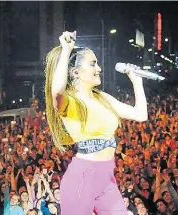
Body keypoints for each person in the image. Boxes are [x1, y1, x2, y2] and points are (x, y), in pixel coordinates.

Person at [44, 31, 148, 214]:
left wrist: (137, 82)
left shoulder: (103, 98)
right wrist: (66, 50)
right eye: (93, 64)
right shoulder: (70, 101)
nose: (99, 68)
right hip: (82, 178)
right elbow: (57, 92)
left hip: (107, 179)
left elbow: (141, 115)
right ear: (76, 72)